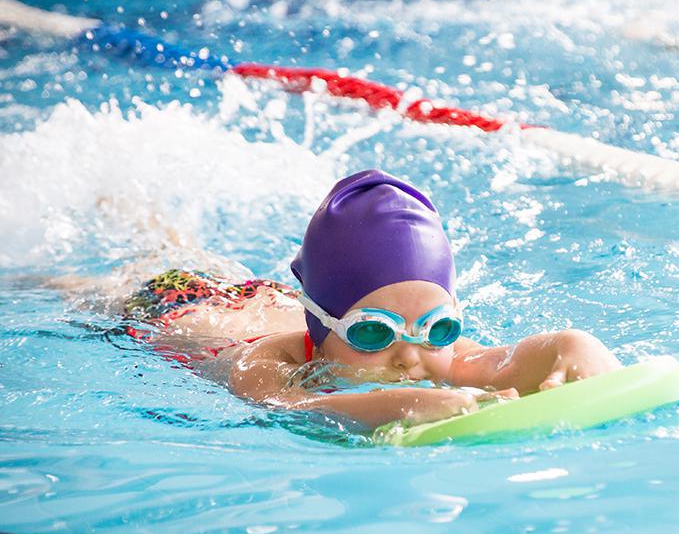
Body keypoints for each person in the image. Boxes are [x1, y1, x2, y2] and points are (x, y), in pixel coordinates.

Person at [123, 169, 621, 429]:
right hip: (177, 304)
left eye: (439, 328)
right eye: (372, 332)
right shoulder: (268, 361)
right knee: (142, 263)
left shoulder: (429, 353)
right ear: (321, 327)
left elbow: (502, 362)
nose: (411, 357)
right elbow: (288, 408)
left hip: (262, 297)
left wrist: (575, 348)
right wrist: (400, 406)